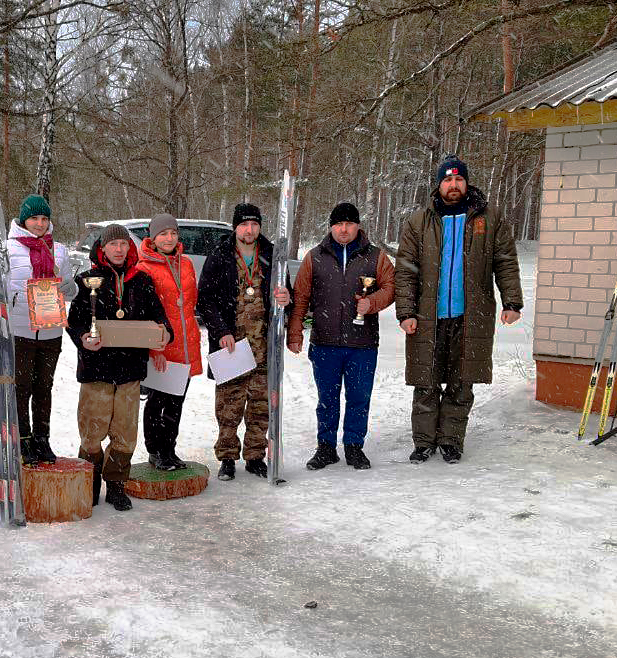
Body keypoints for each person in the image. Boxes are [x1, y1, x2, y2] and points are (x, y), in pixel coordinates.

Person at [394, 155, 523, 464]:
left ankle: (451, 440)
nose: (453, 185)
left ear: (467, 183)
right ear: (439, 184)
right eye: (448, 180)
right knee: (425, 380)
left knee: (461, 381)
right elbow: (406, 270)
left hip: (471, 315)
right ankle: (424, 441)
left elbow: (505, 261)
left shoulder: (489, 219)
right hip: (428, 316)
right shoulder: (418, 221)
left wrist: (512, 301)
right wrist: (406, 312)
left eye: (459, 180)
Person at [67, 224, 172, 511]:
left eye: (123, 244)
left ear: (129, 247)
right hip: (96, 370)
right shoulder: (85, 280)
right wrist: (81, 338)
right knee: (92, 431)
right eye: (113, 244)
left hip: (129, 371)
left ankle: (115, 486)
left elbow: (160, 319)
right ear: (102, 248)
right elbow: (74, 321)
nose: (118, 249)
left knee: (124, 433)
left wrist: (165, 335)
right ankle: (89, 485)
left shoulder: (142, 280)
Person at [287, 203, 395, 471]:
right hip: (325, 343)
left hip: (362, 343)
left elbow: (392, 287)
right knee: (327, 399)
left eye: (349, 224)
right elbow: (300, 297)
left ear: (358, 226)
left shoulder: (376, 257)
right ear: (331, 227)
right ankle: (326, 447)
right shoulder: (314, 257)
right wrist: (295, 331)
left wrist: (371, 303)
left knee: (359, 397)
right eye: (338, 224)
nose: (344, 229)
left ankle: (354, 447)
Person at [195, 203, 291, 481]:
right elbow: (206, 300)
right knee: (229, 407)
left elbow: (288, 293)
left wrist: (287, 297)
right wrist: (221, 330)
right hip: (231, 345)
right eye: (244, 225)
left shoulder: (273, 255)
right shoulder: (220, 255)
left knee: (261, 407)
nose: (249, 230)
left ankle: (255, 456)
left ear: (260, 226)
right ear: (235, 227)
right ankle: (227, 458)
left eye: (254, 224)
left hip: (263, 345)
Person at [0, 194, 78, 465]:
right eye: (34, 218)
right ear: (24, 220)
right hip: (20, 330)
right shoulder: (7, 249)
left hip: (51, 330)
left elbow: (69, 287)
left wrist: (71, 288)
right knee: (21, 388)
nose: (39, 223)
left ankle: (42, 438)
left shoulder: (58, 249)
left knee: (44, 387)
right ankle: (23, 439)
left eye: (44, 218)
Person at [135, 213, 202, 471]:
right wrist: (154, 348)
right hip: (161, 349)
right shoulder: (144, 268)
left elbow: (190, 305)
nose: (169, 238)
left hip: (185, 345)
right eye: (163, 234)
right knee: (156, 404)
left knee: (177, 403)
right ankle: (155, 451)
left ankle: (170, 450)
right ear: (153, 238)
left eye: (173, 233)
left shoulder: (185, 264)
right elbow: (143, 313)